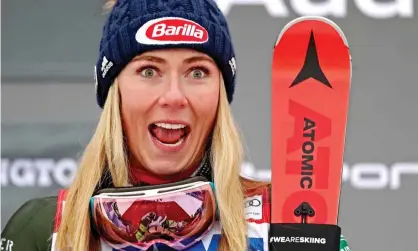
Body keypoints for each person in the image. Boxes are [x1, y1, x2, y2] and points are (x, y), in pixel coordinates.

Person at [1, 0, 351, 250]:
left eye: (197, 72)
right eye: (149, 70)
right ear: (114, 91)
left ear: (219, 94)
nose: (173, 96)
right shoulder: (47, 229)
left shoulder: (286, 223)